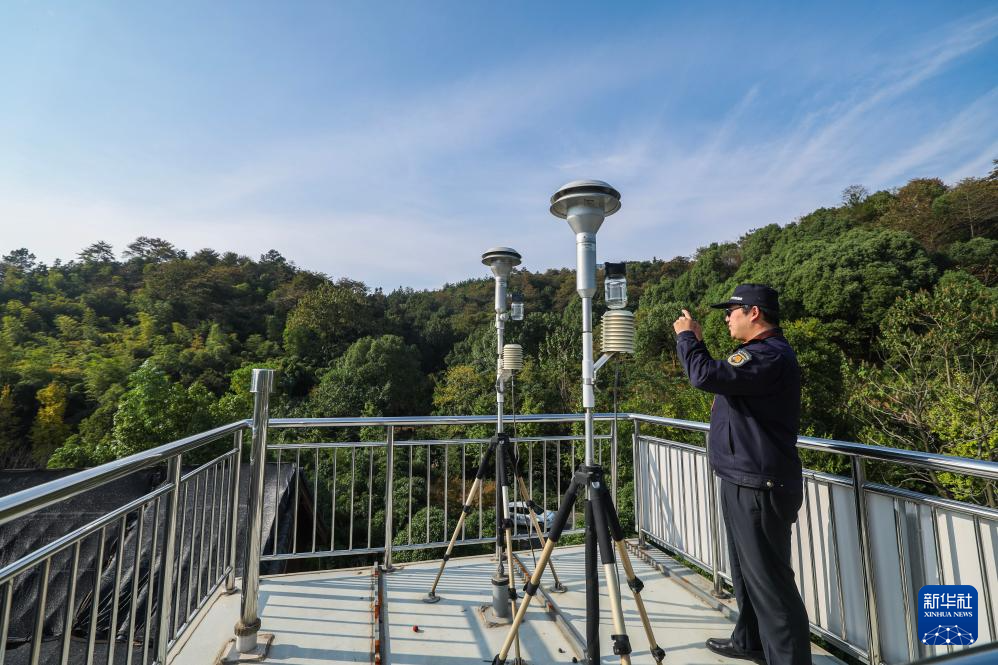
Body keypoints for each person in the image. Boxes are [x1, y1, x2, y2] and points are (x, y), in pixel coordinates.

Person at [672, 283, 811, 665]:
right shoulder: (757, 355)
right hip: (742, 477)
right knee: (746, 574)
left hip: (759, 484)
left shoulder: (768, 355)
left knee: (771, 585)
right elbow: (720, 377)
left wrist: (688, 338)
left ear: (754, 312)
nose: (726, 318)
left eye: (731, 311)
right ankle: (750, 641)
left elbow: (704, 375)